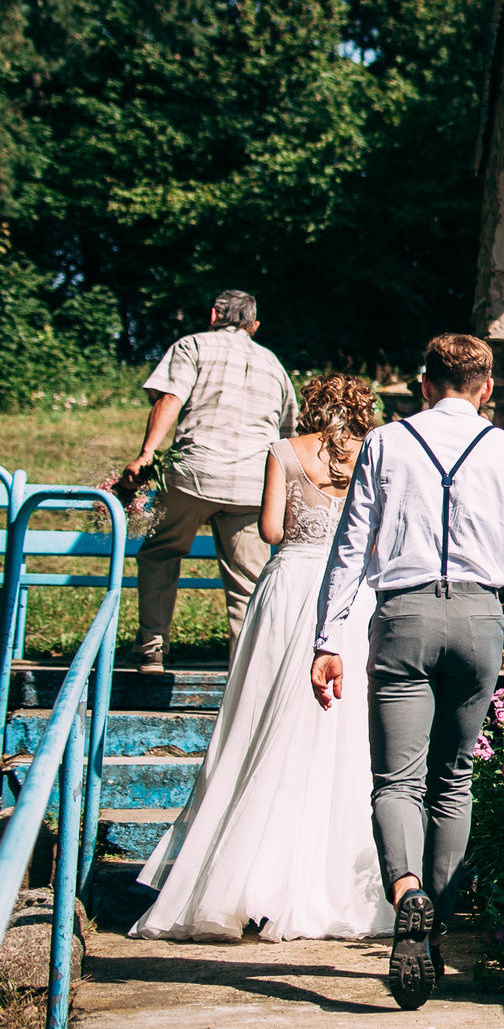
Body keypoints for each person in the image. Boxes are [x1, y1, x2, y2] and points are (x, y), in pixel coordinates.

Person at [312, 333, 504, 1008]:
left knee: (396, 780)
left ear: (424, 384)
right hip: (479, 622)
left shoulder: (387, 443)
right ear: (487, 391)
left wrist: (328, 637)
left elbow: (351, 546)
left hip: (404, 618)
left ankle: (407, 892)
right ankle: (436, 926)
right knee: (454, 777)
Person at [132, 375, 392, 942]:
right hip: (352, 596)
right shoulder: (377, 449)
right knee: (345, 732)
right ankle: (341, 882)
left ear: (313, 406)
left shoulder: (283, 451)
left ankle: (242, 879)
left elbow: (272, 530)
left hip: (291, 585)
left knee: (262, 720)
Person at [122, 290, 299, 672]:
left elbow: (169, 398)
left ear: (215, 314)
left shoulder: (192, 346)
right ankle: (244, 671)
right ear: (253, 326)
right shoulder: (274, 364)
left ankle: (152, 647)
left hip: (194, 473)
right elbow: (288, 435)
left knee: (161, 552)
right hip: (253, 484)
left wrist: (147, 454)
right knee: (247, 582)